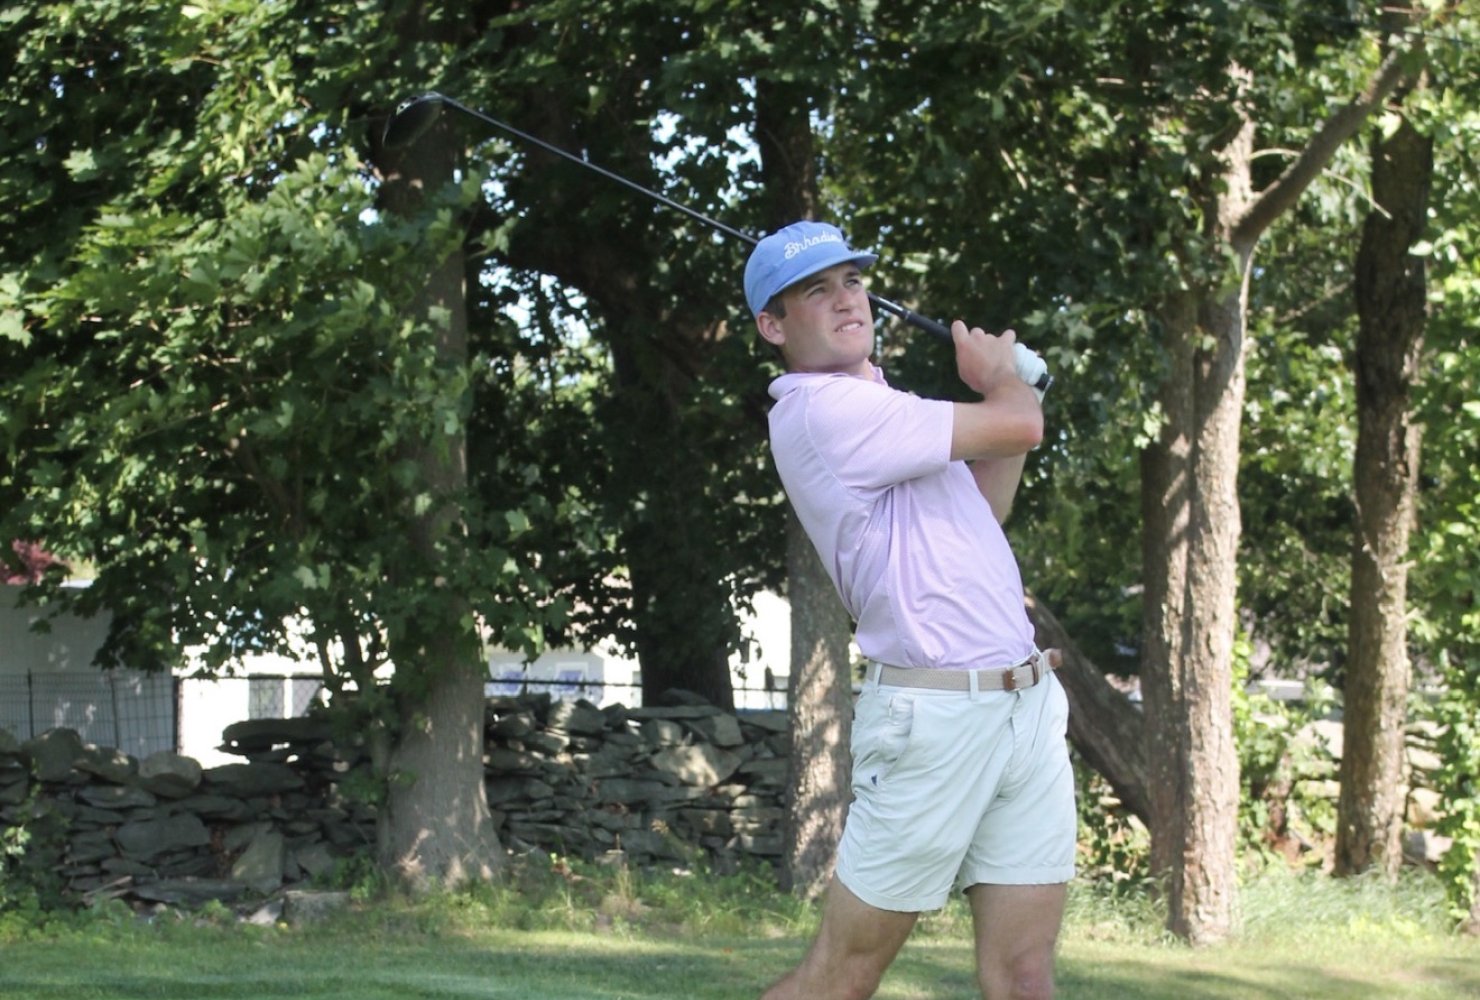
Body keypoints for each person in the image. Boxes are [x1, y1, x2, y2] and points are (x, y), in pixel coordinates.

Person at [745, 221, 1075, 1000]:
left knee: (1026, 977)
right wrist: (1001, 377)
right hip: (936, 719)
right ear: (773, 326)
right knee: (844, 976)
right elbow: (1021, 420)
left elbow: (983, 512)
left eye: (852, 281)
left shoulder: (891, 408)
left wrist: (1005, 393)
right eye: (814, 291)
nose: (844, 299)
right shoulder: (819, 411)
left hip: (1024, 707)